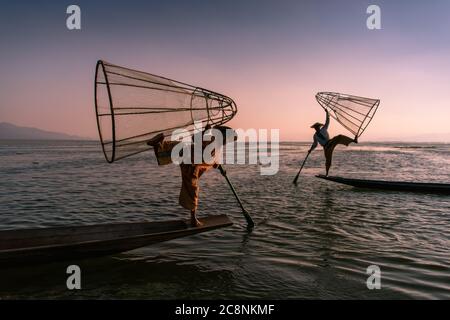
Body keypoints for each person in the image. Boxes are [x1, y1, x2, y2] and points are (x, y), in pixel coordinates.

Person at [147, 125, 235, 227]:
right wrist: (205, 131)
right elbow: (196, 139)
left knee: (169, 150)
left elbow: (212, 158)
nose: (226, 142)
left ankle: (158, 144)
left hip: (189, 158)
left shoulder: (216, 144)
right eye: (226, 139)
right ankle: (193, 220)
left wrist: (220, 168)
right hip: (190, 163)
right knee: (192, 189)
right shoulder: (212, 140)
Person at [309, 110, 358, 176]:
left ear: (319, 127)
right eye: (315, 127)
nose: (316, 128)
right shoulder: (315, 136)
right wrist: (310, 150)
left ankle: (353, 140)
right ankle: (327, 174)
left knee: (339, 137)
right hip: (326, 147)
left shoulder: (323, 129)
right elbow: (315, 144)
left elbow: (327, 122)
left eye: (317, 127)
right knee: (328, 160)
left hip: (330, 142)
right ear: (314, 128)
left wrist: (327, 113)